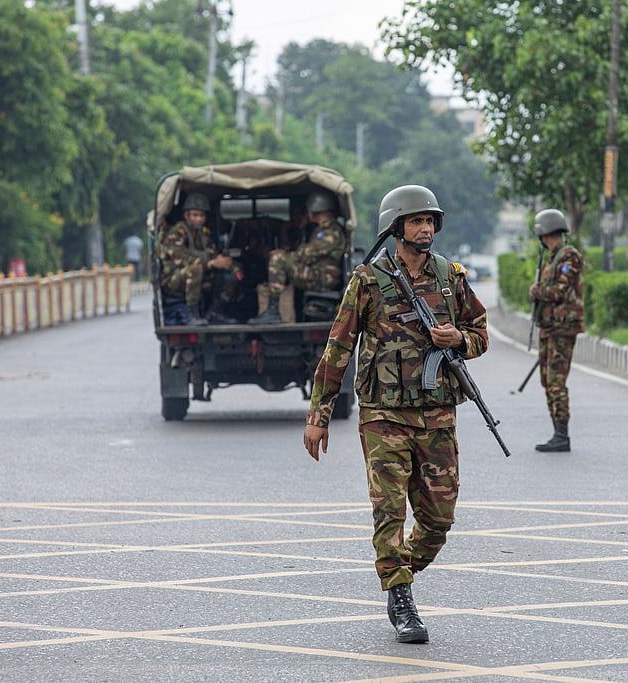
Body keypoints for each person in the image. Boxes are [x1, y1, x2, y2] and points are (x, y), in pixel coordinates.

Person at [303, 185, 489, 644]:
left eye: (430, 221)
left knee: (439, 519)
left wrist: (458, 341)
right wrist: (319, 414)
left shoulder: (450, 277)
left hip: (437, 414)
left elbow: (480, 332)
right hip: (383, 415)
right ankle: (400, 595)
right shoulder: (368, 280)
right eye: (416, 221)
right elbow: (338, 348)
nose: (425, 228)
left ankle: (401, 568)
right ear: (396, 227)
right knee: (388, 510)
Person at [528, 208, 584, 453]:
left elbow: (559, 291)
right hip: (549, 327)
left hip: (563, 328)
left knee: (555, 381)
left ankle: (562, 435)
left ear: (545, 232)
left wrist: (537, 290)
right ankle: (557, 432)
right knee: (546, 381)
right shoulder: (552, 257)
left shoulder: (569, 257)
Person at [249, 189, 346, 323]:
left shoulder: (329, 231)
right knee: (281, 264)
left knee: (278, 259)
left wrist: (284, 255)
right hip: (319, 274)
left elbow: (306, 255)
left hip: (323, 277)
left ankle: (273, 312)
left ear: (314, 209)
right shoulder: (321, 230)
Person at [157, 193, 243, 325]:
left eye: (202, 216)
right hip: (174, 280)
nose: (199, 219)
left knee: (235, 271)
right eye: (195, 215)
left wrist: (222, 261)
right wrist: (211, 264)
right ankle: (192, 314)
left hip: (199, 276)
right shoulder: (176, 233)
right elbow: (180, 259)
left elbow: (211, 252)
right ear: (187, 215)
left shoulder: (204, 233)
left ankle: (216, 310)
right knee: (196, 269)